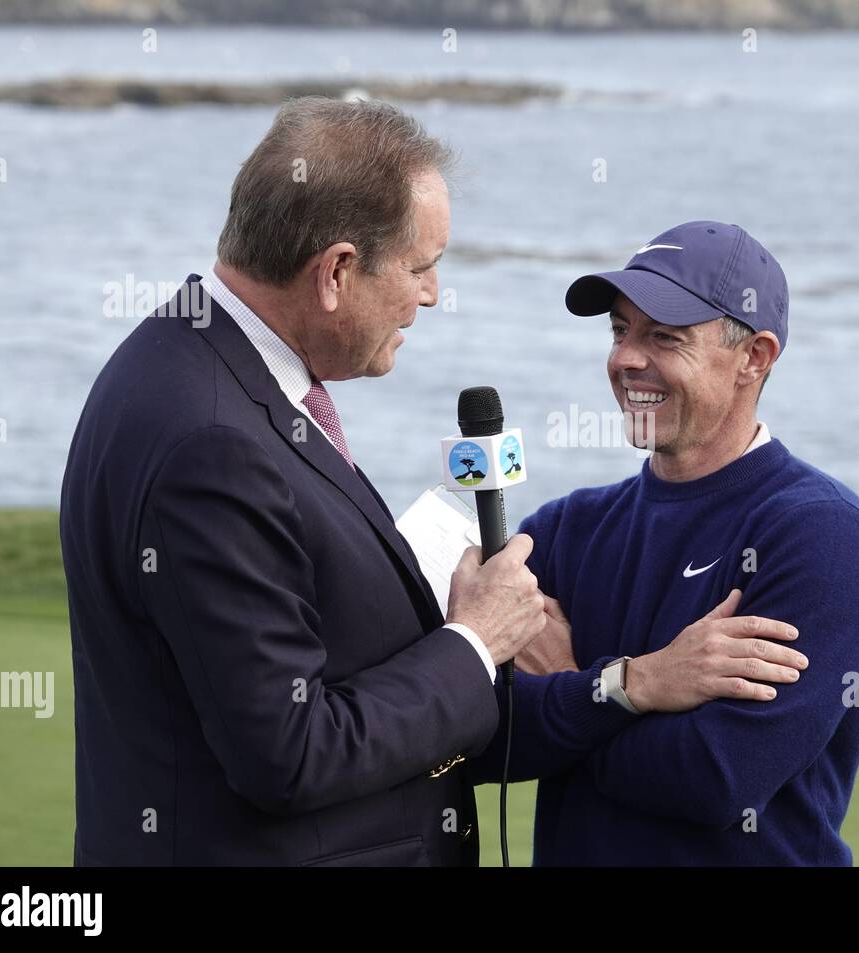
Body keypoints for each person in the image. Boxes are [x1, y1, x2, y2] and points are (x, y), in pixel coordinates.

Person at [59, 97, 546, 866]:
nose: (431, 295)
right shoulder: (213, 442)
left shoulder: (184, 355)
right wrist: (474, 642)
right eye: (421, 267)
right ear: (337, 272)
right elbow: (288, 755)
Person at [468, 221, 859, 865]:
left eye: (664, 337)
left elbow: (714, 779)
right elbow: (476, 744)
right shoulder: (563, 529)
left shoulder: (821, 536)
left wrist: (572, 685)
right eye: (619, 330)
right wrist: (639, 684)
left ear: (755, 357)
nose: (625, 359)